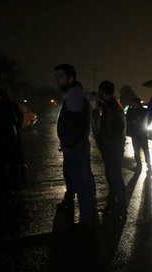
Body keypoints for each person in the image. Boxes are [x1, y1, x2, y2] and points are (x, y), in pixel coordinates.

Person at [54, 63, 97, 227]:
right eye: (56, 76)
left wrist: (68, 143)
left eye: (61, 76)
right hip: (76, 145)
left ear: (70, 78)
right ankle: (88, 215)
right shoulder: (73, 94)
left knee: (80, 182)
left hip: (75, 147)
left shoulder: (73, 95)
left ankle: (86, 219)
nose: (57, 79)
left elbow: (74, 124)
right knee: (82, 180)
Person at [95, 80, 127, 219]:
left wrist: (102, 144)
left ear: (102, 91)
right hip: (115, 147)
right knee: (113, 176)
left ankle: (120, 208)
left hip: (111, 148)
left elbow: (108, 131)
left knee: (115, 177)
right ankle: (112, 206)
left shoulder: (110, 108)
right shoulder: (114, 106)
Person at [125, 97, 152, 172]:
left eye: (134, 103)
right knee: (136, 150)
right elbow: (127, 119)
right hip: (135, 133)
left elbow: (146, 120)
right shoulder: (131, 110)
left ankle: (148, 164)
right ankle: (139, 165)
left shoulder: (143, 111)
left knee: (145, 149)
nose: (133, 105)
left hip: (141, 132)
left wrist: (136, 121)